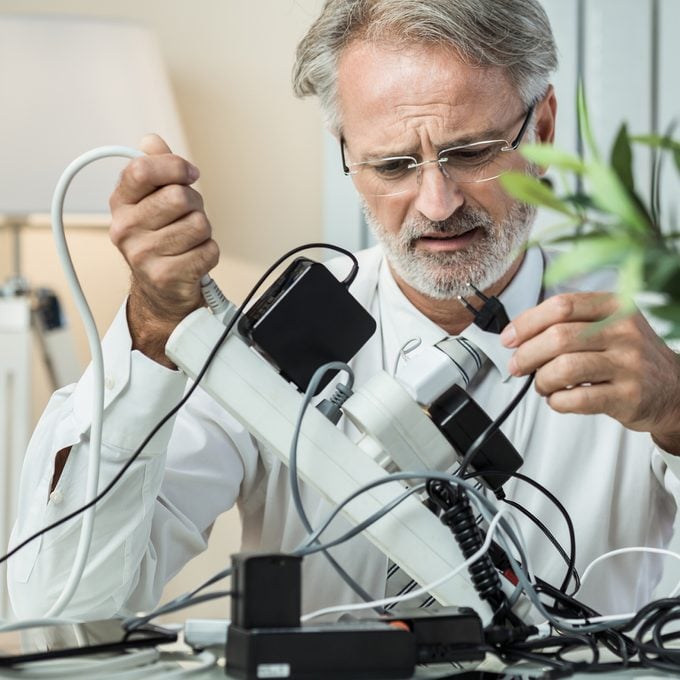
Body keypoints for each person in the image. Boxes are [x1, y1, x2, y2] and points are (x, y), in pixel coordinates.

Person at [8, 0, 680, 622]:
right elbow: (61, 604)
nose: (438, 203)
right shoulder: (259, 350)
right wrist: (154, 332)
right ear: (346, 155)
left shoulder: (651, 335)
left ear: (543, 127)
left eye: (470, 152)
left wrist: (677, 412)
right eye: (392, 166)